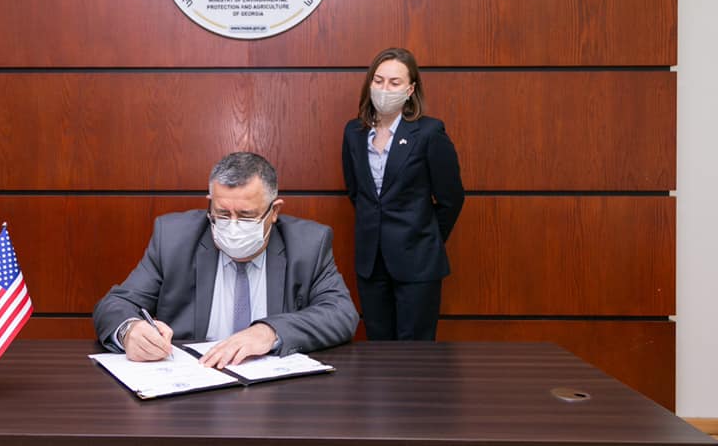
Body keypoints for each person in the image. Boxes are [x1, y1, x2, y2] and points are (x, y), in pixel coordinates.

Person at [94, 152, 359, 367]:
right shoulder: (173, 239)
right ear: (210, 203)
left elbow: (341, 313)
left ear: (274, 211)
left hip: (274, 396)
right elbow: (116, 304)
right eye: (222, 213)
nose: (232, 226)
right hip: (191, 385)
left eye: (245, 216)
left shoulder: (308, 244)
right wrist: (129, 331)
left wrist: (269, 331)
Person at [342, 48, 464, 341]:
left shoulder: (429, 132)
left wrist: (425, 236)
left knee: (415, 353)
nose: (384, 88)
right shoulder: (354, 133)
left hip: (418, 262)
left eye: (394, 82)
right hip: (371, 263)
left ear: (410, 90)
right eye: (379, 80)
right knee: (378, 346)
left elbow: (451, 198)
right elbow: (356, 193)